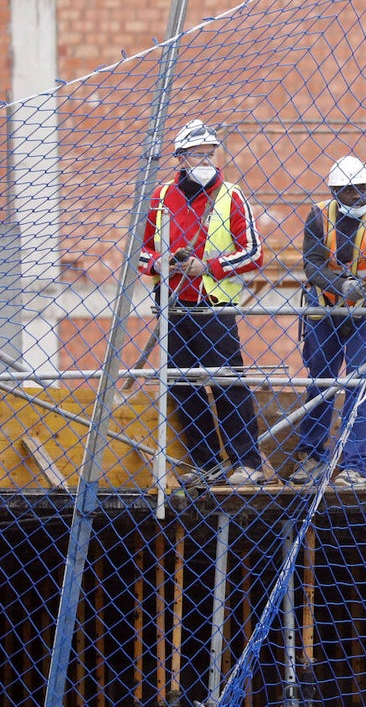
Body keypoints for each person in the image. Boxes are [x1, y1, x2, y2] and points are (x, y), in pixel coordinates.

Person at [137, 119, 269, 487]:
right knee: (182, 384)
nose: (206, 159)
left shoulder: (231, 195)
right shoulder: (161, 197)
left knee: (228, 382)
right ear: (180, 158)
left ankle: (247, 462)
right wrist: (159, 263)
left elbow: (254, 252)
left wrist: (207, 266)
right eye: (198, 153)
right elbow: (140, 248)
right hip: (173, 303)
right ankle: (207, 462)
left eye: (210, 152)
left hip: (213, 304)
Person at [289, 155, 366, 488]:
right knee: (321, 381)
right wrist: (340, 286)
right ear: (336, 191)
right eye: (349, 190)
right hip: (326, 308)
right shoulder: (319, 216)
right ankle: (311, 457)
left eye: (362, 189)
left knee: (362, 383)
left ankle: (353, 465)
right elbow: (313, 264)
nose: (356, 196)